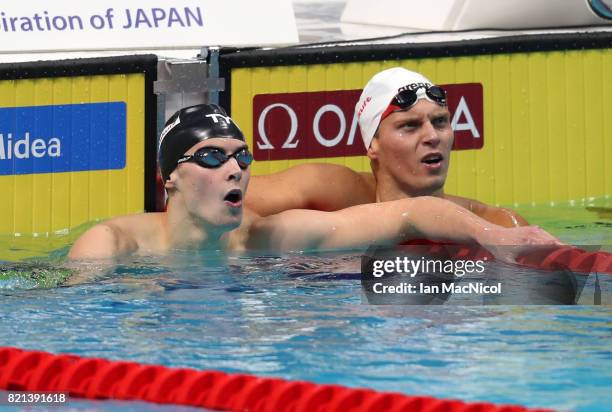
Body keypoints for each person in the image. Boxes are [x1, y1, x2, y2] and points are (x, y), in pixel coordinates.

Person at [68, 104, 559, 261]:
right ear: (168, 178)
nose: (234, 169)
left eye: (242, 157)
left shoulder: (265, 238)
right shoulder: (112, 245)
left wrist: (497, 237)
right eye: (213, 157)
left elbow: (408, 214)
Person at [246, 67, 527, 228]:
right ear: (373, 144)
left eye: (440, 121)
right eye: (410, 126)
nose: (433, 136)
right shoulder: (331, 192)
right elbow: (217, 207)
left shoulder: (497, 224)